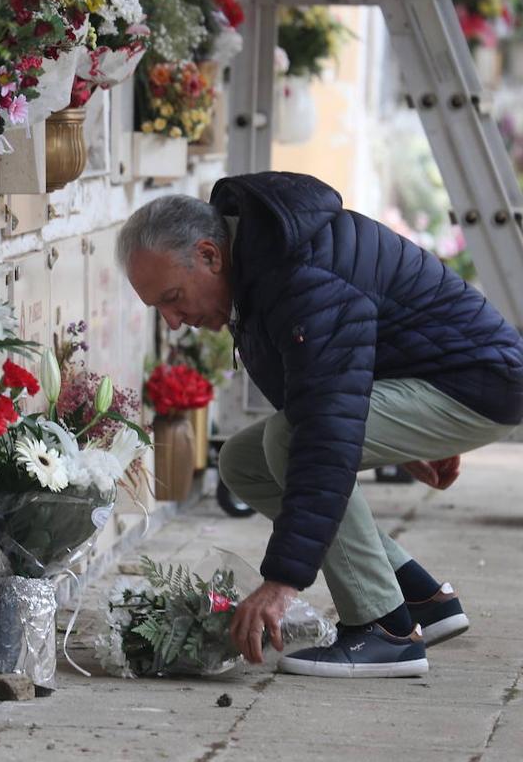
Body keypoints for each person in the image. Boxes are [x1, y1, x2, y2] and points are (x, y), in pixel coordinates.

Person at [117, 172, 523, 678]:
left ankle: (386, 630)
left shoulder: (298, 272)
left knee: (291, 440)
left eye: (173, 297)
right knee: (245, 462)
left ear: (209, 255)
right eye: (159, 308)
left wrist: (281, 582)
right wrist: (401, 431)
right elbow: (320, 386)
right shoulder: (262, 260)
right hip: (442, 375)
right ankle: (418, 598)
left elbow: (321, 430)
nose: (173, 321)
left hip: (478, 381)